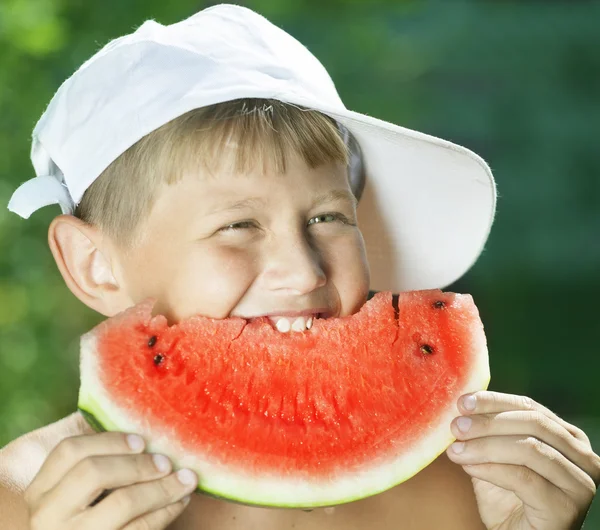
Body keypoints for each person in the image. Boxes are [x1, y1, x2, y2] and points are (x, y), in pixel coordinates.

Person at [1, 4, 598, 529]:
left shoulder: (475, 486)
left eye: (327, 218)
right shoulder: (23, 501)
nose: (304, 271)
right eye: (238, 226)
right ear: (94, 264)